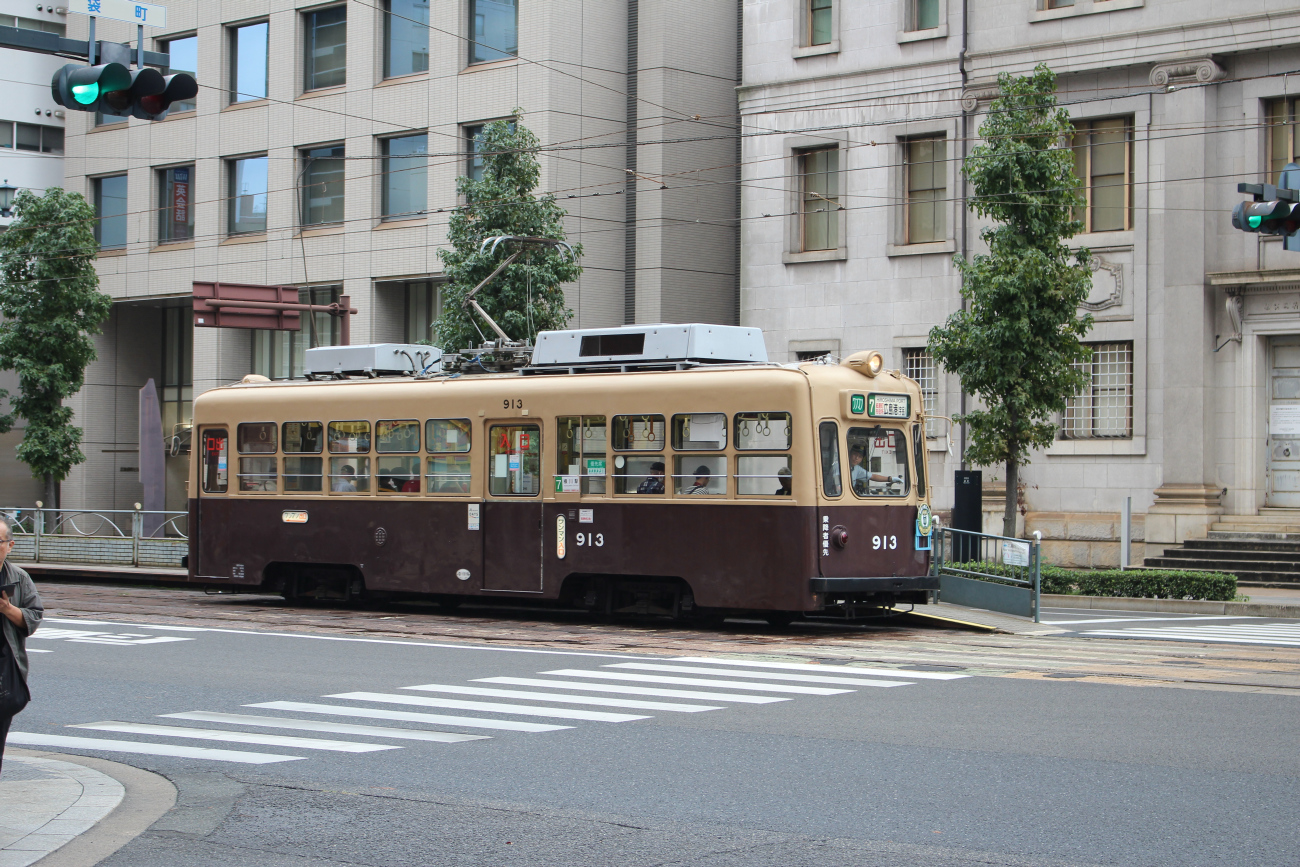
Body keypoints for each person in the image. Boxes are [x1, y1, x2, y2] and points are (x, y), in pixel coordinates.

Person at [0, 514, 43, 776]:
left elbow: (33, 616)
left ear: (9, 545)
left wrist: (7, 609)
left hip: (4, 671)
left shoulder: (18, 577)